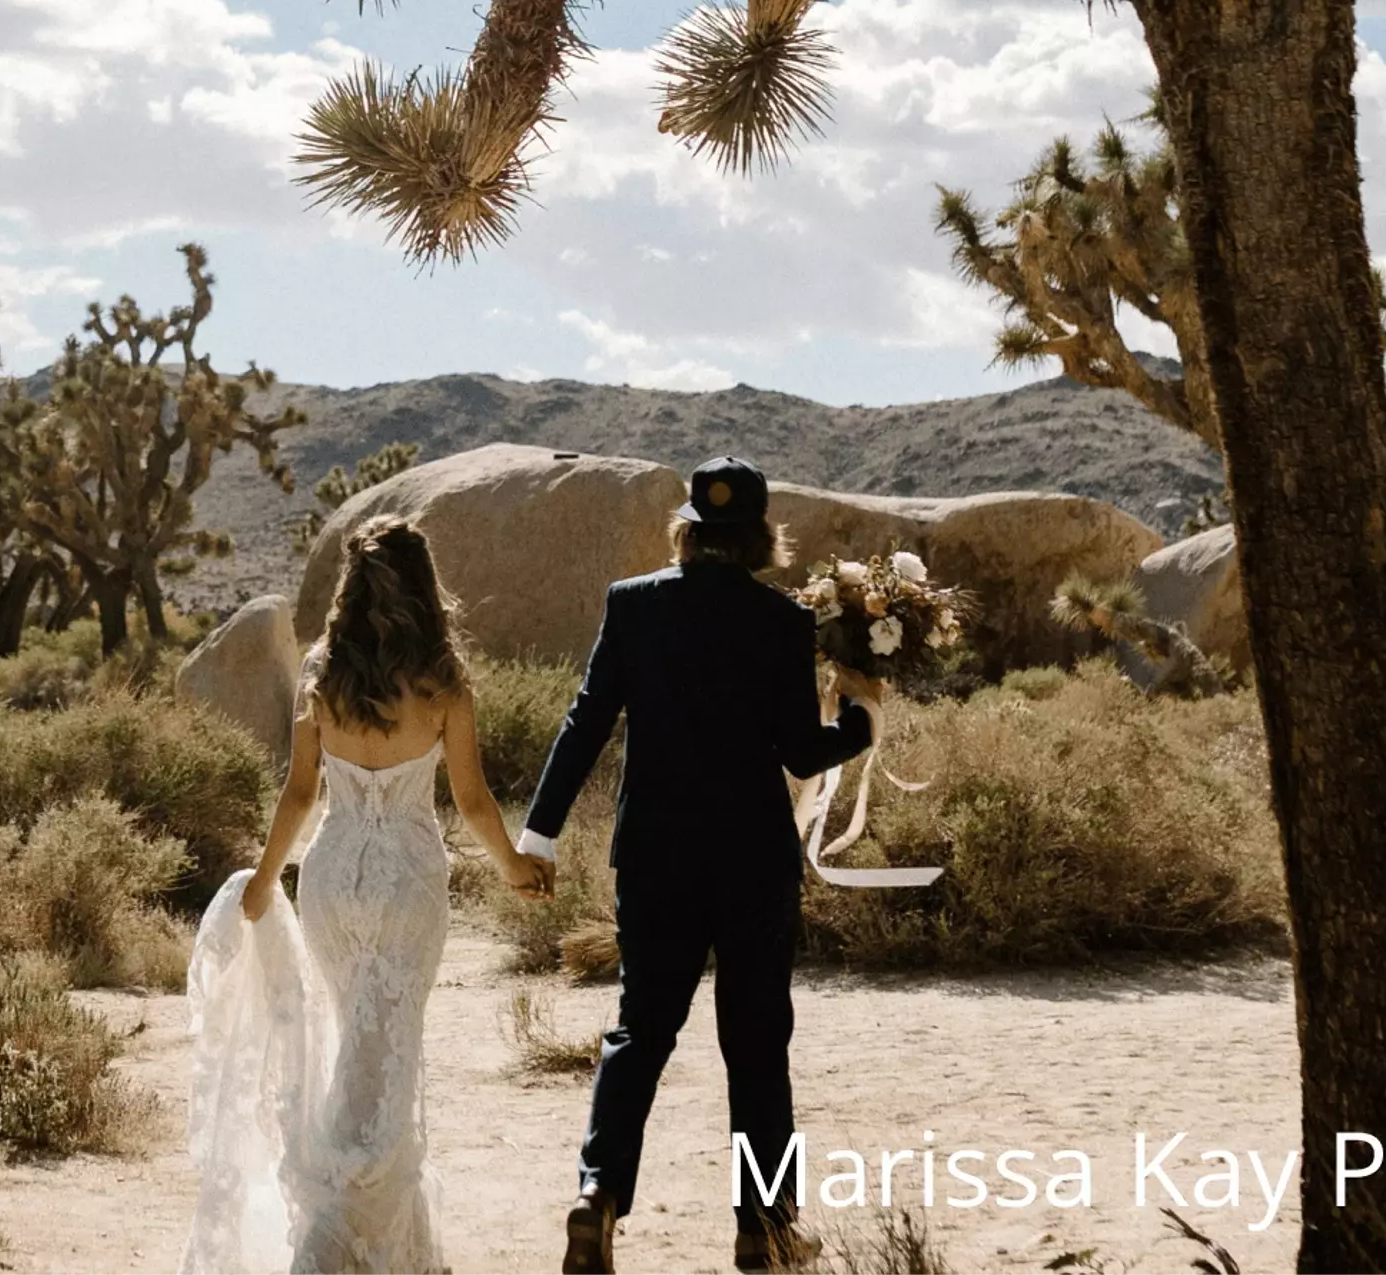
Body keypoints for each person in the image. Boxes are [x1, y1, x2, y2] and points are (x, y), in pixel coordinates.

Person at [522, 456, 878, 1275]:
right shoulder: (782, 622)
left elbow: (585, 722)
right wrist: (859, 718)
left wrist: (539, 833)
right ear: (759, 537)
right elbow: (799, 750)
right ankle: (766, 1227)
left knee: (639, 1030)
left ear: (686, 528)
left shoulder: (633, 604)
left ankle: (598, 1195)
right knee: (756, 1040)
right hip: (751, 861)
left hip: (654, 856)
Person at [181, 519, 545, 1275]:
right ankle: (337, 1242)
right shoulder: (444, 679)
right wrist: (513, 866)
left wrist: (263, 875)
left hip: (332, 877)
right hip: (406, 880)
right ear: (422, 586)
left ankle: (406, 1248)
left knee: (360, 1040)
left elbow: (300, 791)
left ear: (351, 588)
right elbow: (473, 801)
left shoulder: (323, 671)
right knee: (391, 1049)